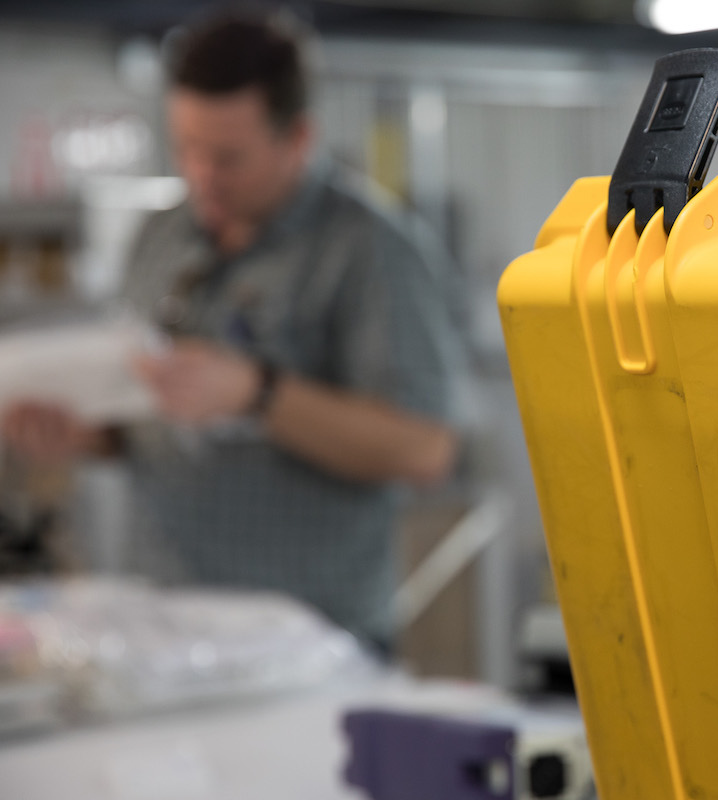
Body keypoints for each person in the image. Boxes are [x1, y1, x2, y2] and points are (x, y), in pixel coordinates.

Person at [0, 10, 463, 650]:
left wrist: (257, 393)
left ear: (297, 137)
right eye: (186, 148)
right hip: (164, 630)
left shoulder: (370, 251)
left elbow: (423, 450)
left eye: (227, 157)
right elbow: (139, 428)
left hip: (311, 645)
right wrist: (80, 434)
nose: (201, 175)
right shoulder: (161, 235)